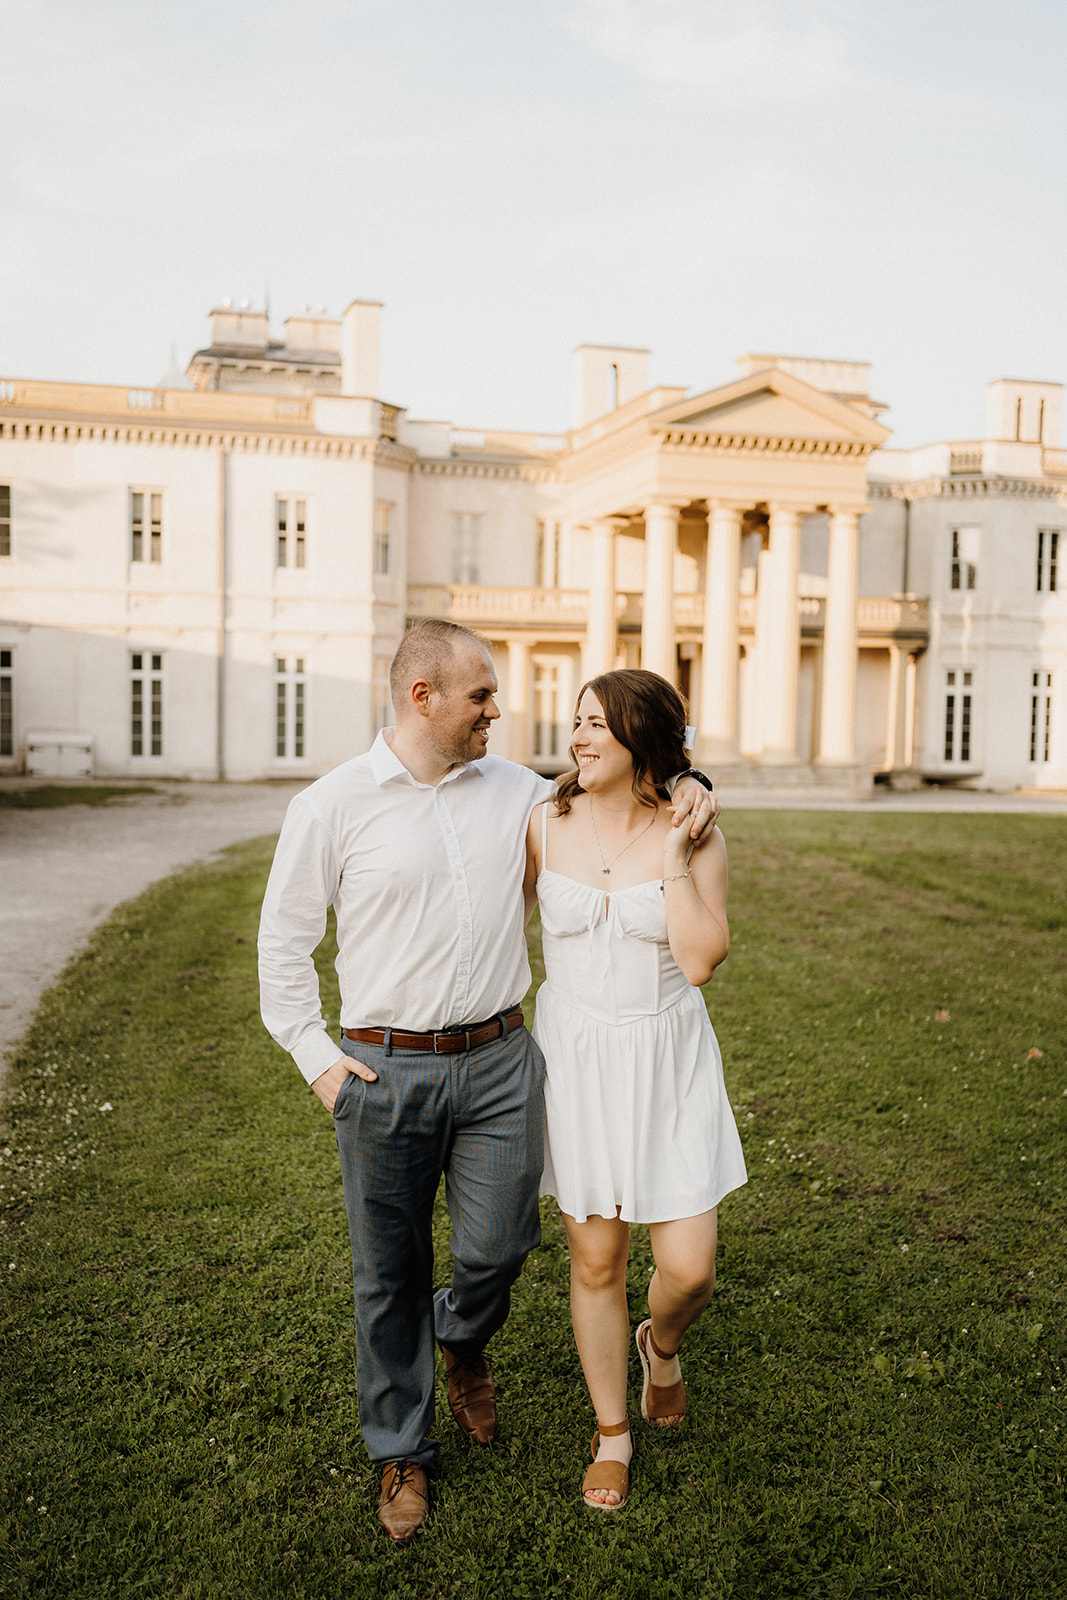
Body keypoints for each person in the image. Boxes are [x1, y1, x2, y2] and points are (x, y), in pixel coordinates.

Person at [257, 620, 717, 1542]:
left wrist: (694, 780)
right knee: (387, 1274)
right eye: (480, 697)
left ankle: (461, 1336)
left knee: (500, 1250)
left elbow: (632, 782)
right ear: (421, 697)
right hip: (381, 1069)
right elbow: (282, 946)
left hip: (503, 1060)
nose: (498, 713)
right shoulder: (330, 805)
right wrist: (320, 1066)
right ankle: (401, 1453)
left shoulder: (518, 794)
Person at [523, 668, 746, 1511]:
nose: (577, 737)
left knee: (688, 1271)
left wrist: (674, 859)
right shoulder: (542, 820)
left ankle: (664, 1341)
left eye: (595, 725)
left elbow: (697, 962)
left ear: (640, 740)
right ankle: (611, 1432)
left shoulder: (693, 831)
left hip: (668, 1054)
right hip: (575, 1057)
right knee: (597, 1256)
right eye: (575, 721)